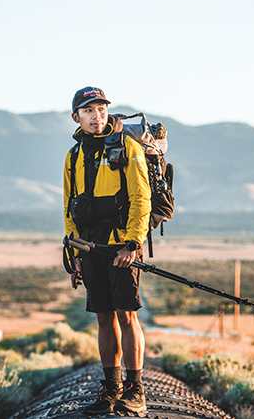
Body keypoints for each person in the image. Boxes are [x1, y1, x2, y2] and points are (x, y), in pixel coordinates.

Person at [63, 86, 152, 415]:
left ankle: (136, 391)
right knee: (103, 317)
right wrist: (73, 247)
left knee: (126, 316)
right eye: (88, 111)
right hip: (89, 246)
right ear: (77, 117)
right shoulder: (73, 157)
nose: (96, 115)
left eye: (101, 109)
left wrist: (133, 243)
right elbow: (68, 206)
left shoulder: (127, 146)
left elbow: (141, 198)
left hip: (121, 244)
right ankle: (112, 391)